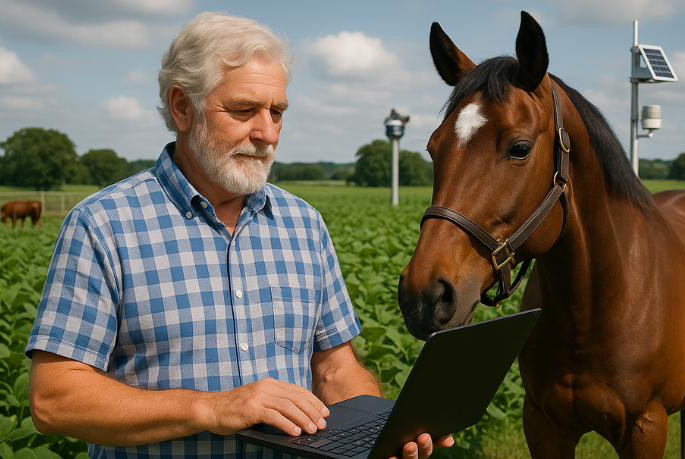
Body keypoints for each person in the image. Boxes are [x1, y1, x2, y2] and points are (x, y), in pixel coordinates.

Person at [25, 12, 453, 459]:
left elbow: (334, 368)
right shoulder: (104, 225)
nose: (267, 133)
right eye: (244, 110)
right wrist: (210, 409)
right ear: (182, 107)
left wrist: (381, 430)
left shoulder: (303, 224)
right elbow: (54, 400)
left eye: (278, 112)